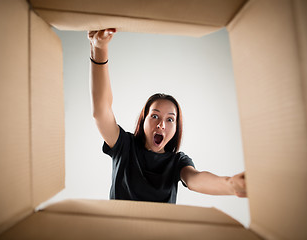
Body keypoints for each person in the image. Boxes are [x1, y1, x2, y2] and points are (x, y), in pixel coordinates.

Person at [88, 28, 247, 203]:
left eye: (170, 119)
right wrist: (99, 48)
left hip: (161, 231)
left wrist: (231, 185)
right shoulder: (125, 146)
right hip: (119, 229)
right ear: (143, 121)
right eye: (155, 116)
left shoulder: (177, 161)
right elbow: (101, 111)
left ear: (177, 128)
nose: (161, 124)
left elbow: (195, 180)